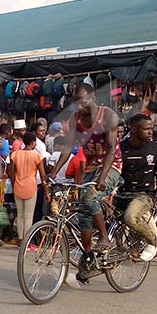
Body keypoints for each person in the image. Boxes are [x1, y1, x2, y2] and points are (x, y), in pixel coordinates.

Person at [50, 82, 122, 252]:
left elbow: (112, 149)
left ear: (93, 97)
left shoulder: (107, 115)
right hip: (91, 166)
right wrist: (54, 171)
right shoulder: (75, 118)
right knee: (84, 212)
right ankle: (88, 255)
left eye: (83, 102)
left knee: (90, 198)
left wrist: (102, 177)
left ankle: (104, 237)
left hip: (111, 165)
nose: (80, 107)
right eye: (76, 103)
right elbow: (68, 147)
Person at [118, 114, 157, 263]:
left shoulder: (156, 148)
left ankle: (155, 240)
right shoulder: (121, 147)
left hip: (144, 196)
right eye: (146, 129)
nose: (150, 132)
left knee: (130, 217)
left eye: (151, 129)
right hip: (123, 193)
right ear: (134, 129)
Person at [8, 133, 48, 245]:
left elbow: (11, 172)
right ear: (32, 143)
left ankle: (20, 240)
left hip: (18, 186)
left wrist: (13, 184)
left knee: (20, 214)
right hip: (31, 186)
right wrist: (46, 190)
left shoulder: (15, 154)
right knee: (29, 215)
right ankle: (27, 240)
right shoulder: (36, 155)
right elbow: (43, 174)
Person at [29, 122, 50, 223]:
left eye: (44, 131)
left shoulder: (25, 143)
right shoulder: (40, 145)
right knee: (37, 209)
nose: (43, 134)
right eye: (40, 131)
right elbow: (43, 165)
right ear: (34, 132)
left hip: (25, 181)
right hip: (37, 180)